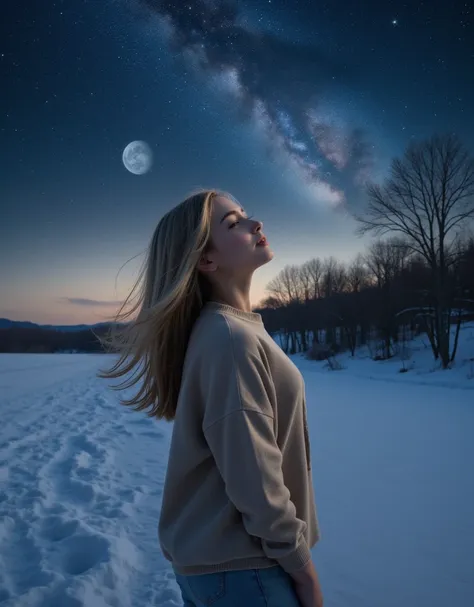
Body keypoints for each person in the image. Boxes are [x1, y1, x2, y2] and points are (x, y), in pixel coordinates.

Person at [97, 189, 323, 607]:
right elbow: (255, 477)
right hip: (247, 570)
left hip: (227, 570)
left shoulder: (229, 330)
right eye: (234, 223)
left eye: (246, 214)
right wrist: (302, 568)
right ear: (206, 259)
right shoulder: (228, 338)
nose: (256, 223)